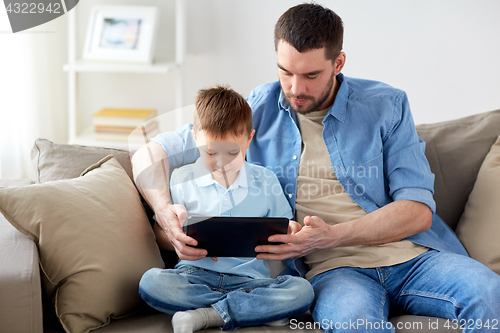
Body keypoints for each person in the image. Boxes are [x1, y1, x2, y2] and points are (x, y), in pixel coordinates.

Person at [132, 4, 500, 332]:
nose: (295, 88)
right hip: (335, 273)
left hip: (416, 258)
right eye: (285, 72)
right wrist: (165, 214)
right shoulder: (255, 110)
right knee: (352, 324)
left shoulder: (387, 106)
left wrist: (333, 235)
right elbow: (149, 151)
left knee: (488, 292)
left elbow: (417, 211)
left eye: (310, 75)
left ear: (338, 64)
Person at [137, 85, 314, 333]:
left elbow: (286, 232)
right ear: (195, 139)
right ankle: (252, 311)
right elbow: (160, 232)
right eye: (211, 153)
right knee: (150, 283)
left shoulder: (266, 180)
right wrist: (178, 239)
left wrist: (292, 232)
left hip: (252, 282)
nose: (222, 163)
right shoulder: (180, 179)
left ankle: (207, 316)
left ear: (249, 140)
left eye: (233, 152)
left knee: (302, 291)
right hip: (195, 276)